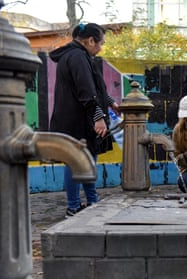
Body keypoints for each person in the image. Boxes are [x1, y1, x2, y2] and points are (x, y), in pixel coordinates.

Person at [49, 23, 120, 217]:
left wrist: (110, 101)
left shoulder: (76, 55)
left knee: (87, 160)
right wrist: (98, 118)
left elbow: (95, 88)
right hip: (78, 121)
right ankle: (73, 207)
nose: (101, 48)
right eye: (100, 43)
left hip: (77, 119)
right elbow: (86, 91)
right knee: (76, 161)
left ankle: (91, 201)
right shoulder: (78, 57)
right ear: (90, 41)